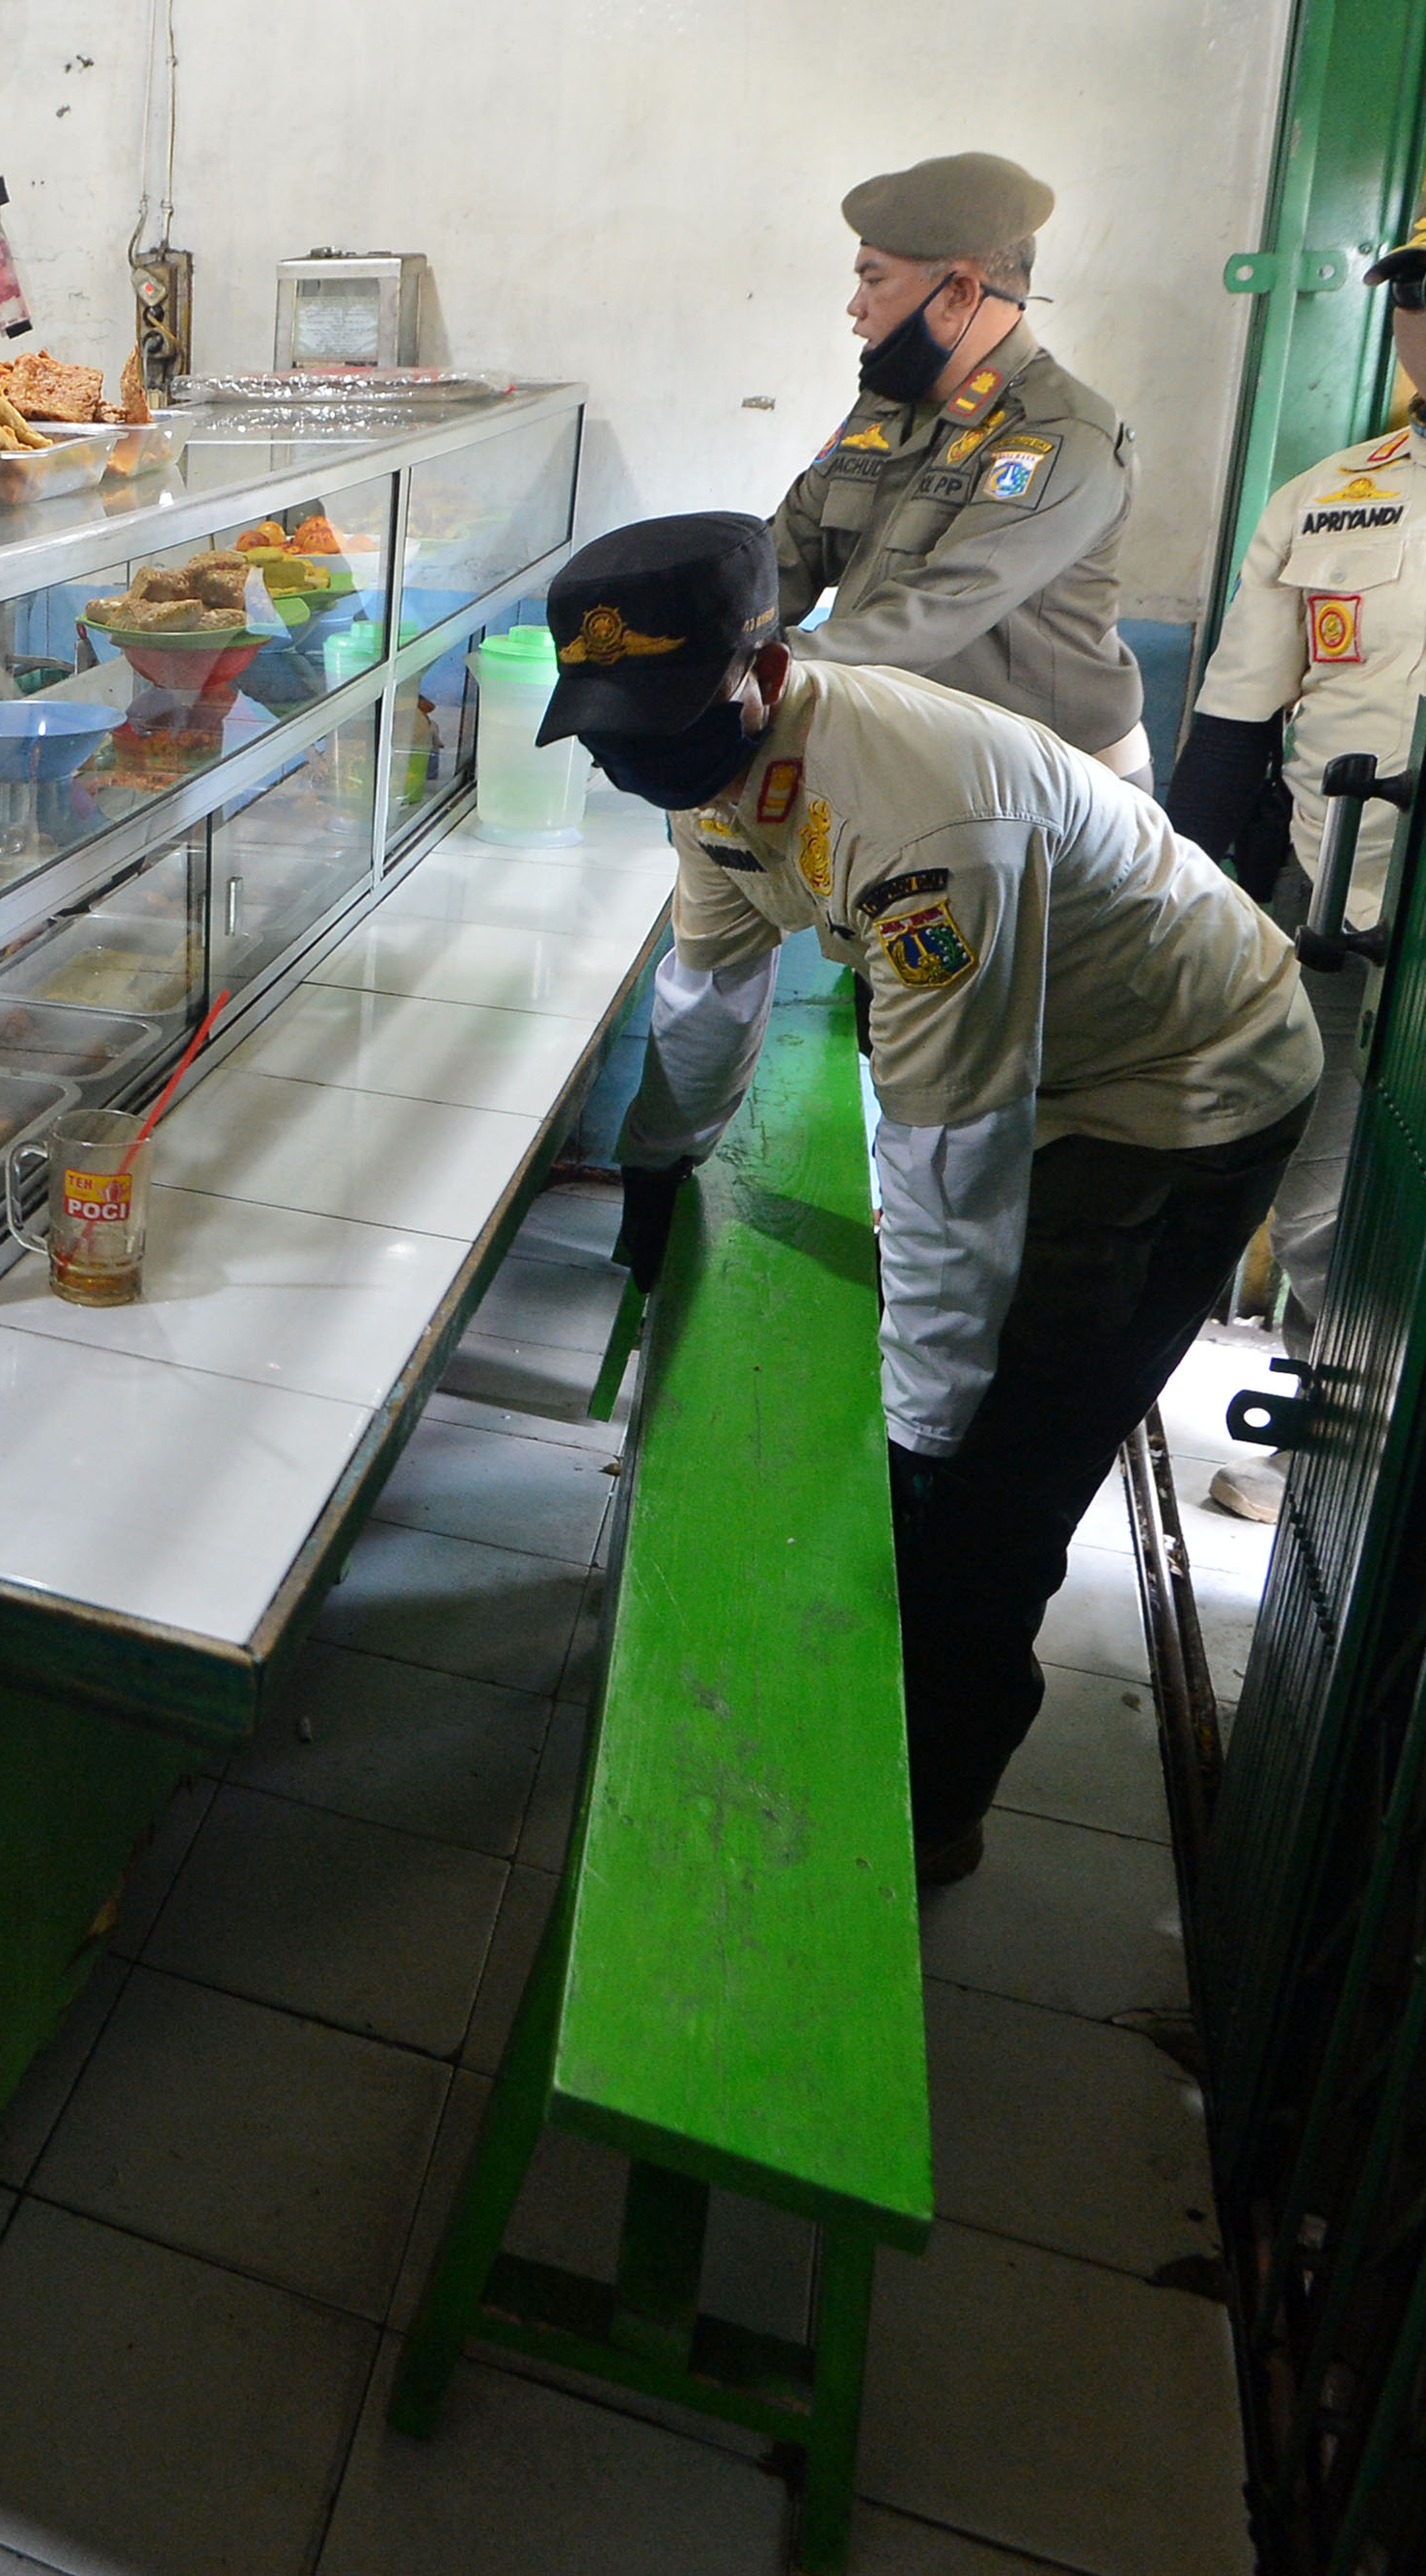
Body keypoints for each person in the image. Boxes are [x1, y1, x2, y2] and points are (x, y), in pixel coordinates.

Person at [552, 514, 1320, 1885]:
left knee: (996, 1473)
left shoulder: (919, 822)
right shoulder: (713, 769)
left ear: (766, 667)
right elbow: (708, 987)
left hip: (1181, 1088)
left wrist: (921, 1439)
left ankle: (929, 1813)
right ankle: (902, 1675)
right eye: (607, 728)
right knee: (949, 1411)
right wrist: (657, 1160)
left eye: (662, 719)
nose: (638, 758)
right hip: (1045, 1057)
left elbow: (951, 1155)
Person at [1168, 170, 1426, 1521]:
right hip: (1335, 897)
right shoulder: (1330, 497)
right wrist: (1195, 905)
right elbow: (1231, 725)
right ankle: (1324, 1431)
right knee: (1309, 1178)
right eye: (1415, 298)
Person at [770, 153, 1154, 783]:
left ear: (959, 294)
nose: (854, 308)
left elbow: (936, 613)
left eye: (874, 280)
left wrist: (764, 668)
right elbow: (791, 549)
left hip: (1050, 789)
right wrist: (693, 633)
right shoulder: (888, 409)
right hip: (917, 760)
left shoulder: (1058, 433)